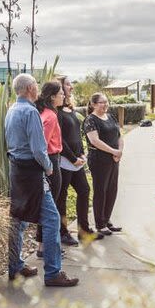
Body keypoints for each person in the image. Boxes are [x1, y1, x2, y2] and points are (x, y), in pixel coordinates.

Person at [6, 73, 79, 287]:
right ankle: (53, 273)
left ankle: (15, 267)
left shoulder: (12, 109)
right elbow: (39, 149)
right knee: (52, 220)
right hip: (32, 173)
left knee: (18, 221)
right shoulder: (30, 111)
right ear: (29, 88)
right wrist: (48, 168)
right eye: (36, 85)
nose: (38, 89)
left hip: (16, 171)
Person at [56, 76, 103, 244]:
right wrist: (72, 157)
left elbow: (77, 134)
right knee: (61, 198)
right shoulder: (57, 112)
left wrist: (81, 154)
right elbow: (59, 140)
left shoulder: (71, 109)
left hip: (76, 161)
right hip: (64, 162)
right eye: (68, 84)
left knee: (84, 190)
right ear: (60, 88)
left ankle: (84, 230)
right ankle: (63, 233)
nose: (71, 87)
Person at [83, 92, 124, 236]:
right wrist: (113, 151)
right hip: (99, 159)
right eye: (101, 102)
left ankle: (106, 220)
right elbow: (94, 141)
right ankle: (100, 224)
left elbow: (119, 135)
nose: (105, 104)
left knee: (112, 190)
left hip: (114, 158)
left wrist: (119, 151)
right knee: (101, 190)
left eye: (106, 102)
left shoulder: (111, 117)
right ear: (93, 104)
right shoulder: (90, 120)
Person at [34, 81, 65, 257]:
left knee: (47, 206)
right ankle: (47, 248)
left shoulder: (44, 112)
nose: (64, 96)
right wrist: (47, 167)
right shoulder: (51, 116)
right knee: (51, 207)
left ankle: (42, 247)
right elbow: (43, 145)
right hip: (51, 161)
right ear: (52, 96)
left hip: (51, 159)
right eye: (61, 93)